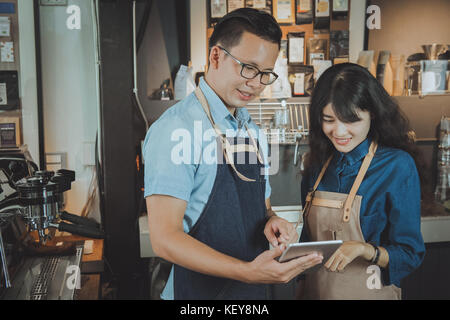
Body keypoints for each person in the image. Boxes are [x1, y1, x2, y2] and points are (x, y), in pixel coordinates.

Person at [143, 8, 322, 300]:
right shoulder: (177, 129)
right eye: (249, 68)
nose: (256, 84)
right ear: (216, 56)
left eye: (265, 74)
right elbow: (164, 239)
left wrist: (272, 222)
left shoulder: (250, 129)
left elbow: (260, 209)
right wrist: (246, 271)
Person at [298, 62, 425, 300]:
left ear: (372, 114)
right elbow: (309, 244)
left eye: (351, 120)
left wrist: (365, 250)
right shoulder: (316, 166)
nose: (339, 132)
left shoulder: (397, 166)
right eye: (329, 119)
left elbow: (410, 253)